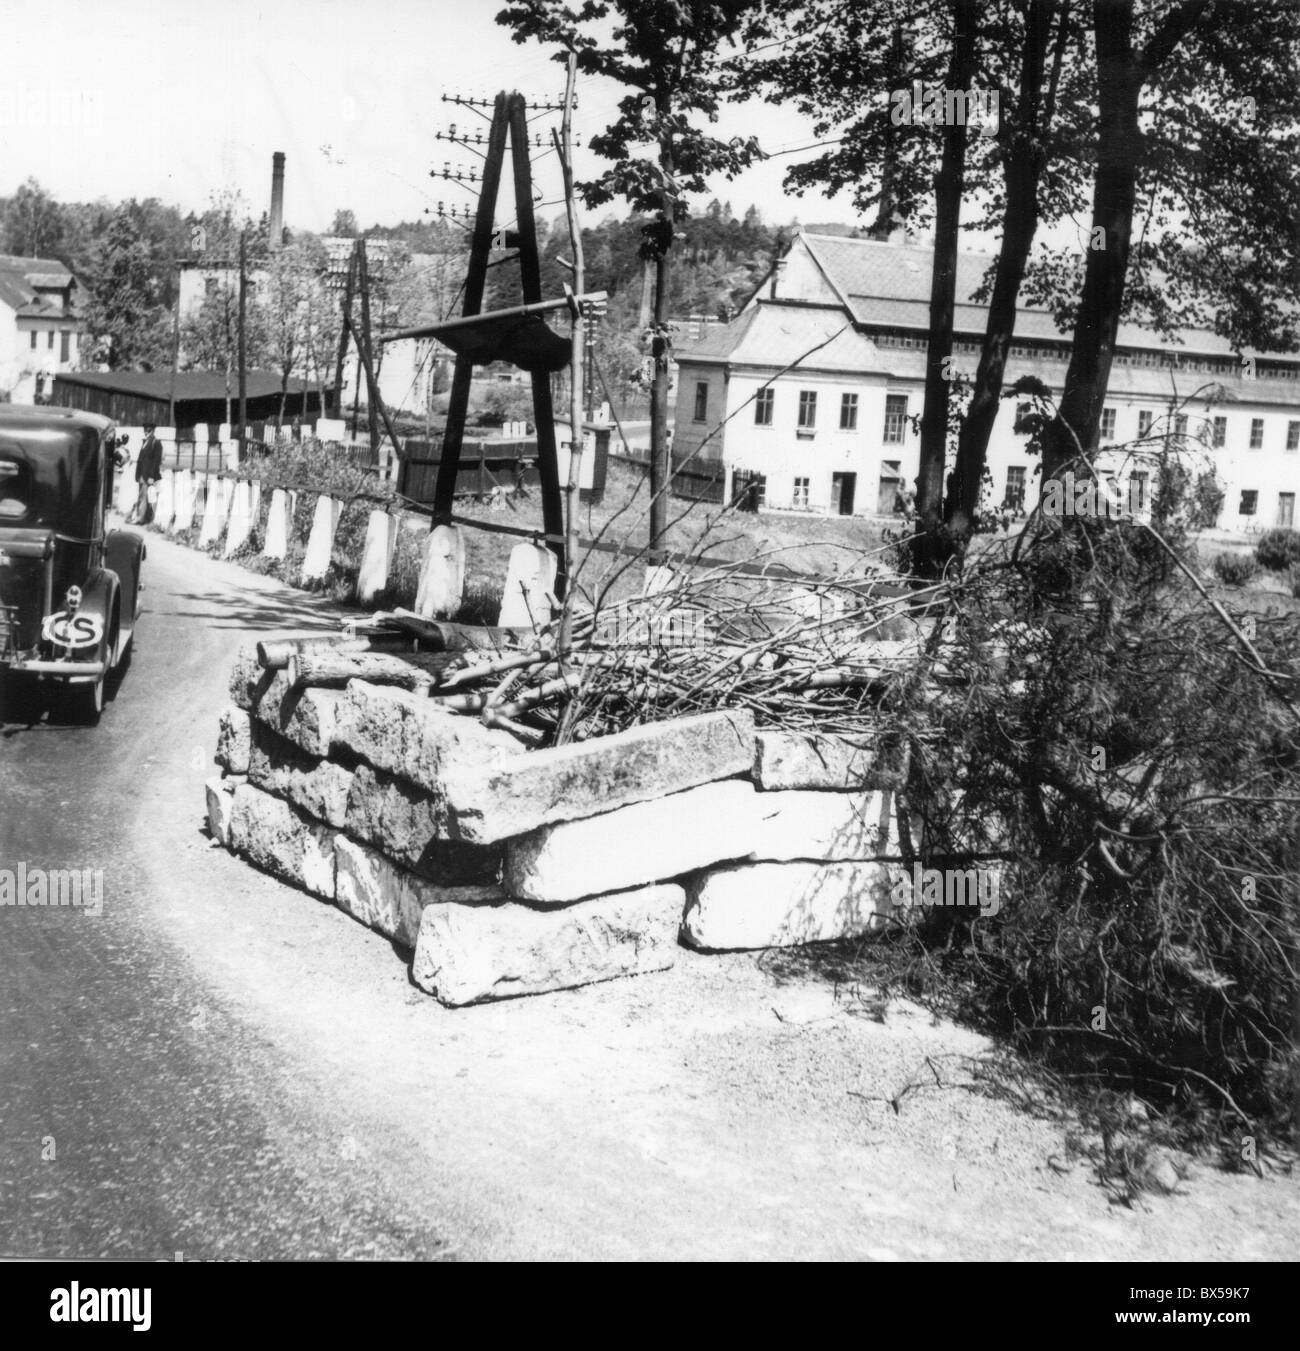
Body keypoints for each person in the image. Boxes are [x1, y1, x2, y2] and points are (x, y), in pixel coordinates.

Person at [129, 423, 164, 524]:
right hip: (142, 474)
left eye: (148, 430)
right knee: (141, 496)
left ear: (152, 430)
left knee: (145, 497)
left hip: (148, 475)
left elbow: (156, 461)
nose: (146, 432)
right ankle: (141, 517)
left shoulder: (155, 443)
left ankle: (141, 519)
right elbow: (142, 460)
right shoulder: (145, 442)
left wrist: (151, 476)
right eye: (145, 430)